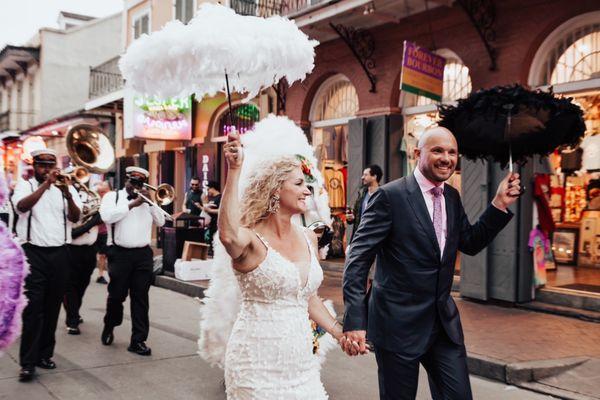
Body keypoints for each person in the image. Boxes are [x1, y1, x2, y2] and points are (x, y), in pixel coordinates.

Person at [342, 127, 521, 400]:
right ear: (417, 154)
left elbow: (470, 242)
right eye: (437, 150)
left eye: (452, 152)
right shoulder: (390, 196)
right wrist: (354, 319)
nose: (446, 158)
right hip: (397, 325)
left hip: (442, 326)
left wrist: (498, 204)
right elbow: (358, 258)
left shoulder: (452, 196)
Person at [219, 131, 343, 399]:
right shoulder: (250, 239)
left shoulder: (309, 236)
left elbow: (306, 297)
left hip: (302, 367)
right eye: (298, 183)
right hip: (255, 366)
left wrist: (339, 332)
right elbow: (228, 236)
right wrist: (234, 170)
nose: (307, 190)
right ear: (275, 189)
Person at [11, 149, 82, 382]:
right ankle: (27, 363)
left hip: (60, 253)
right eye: (42, 165)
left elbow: (75, 217)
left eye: (50, 165)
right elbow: (21, 207)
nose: (47, 169)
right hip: (33, 253)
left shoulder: (66, 187)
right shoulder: (26, 185)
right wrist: (46, 186)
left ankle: (44, 355)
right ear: (35, 166)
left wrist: (67, 194)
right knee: (33, 310)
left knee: (52, 308)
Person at [99, 167, 166, 356]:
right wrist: (132, 204)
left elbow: (161, 222)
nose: (135, 187)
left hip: (143, 255)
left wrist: (151, 203)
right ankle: (110, 325)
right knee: (116, 296)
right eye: (132, 182)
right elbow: (107, 217)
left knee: (140, 298)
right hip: (119, 254)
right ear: (125, 180)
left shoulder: (147, 201)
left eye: (139, 184)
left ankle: (138, 340)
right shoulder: (113, 197)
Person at [62, 177, 104, 335]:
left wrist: (98, 217)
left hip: (89, 249)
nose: (78, 182)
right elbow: (70, 233)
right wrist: (92, 221)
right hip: (71, 250)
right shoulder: (66, 201)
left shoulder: (91, 196)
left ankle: (74, 311)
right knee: (70, 287)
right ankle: (72, 320)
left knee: (83, 284)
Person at [346, 164, 383, 241]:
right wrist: (351, 218)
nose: (362, 177)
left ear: (374, 177)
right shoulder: (362, 194)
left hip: (375, 239)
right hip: (360, 237)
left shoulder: (382, 195)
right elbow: (356, 216)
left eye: (366, 175)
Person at [94, 181, 111, 284]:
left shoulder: (111, 200)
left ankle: (100, 274)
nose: (101, 194)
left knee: (103, 255)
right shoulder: (95, 199)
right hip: (93, 232)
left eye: (103, 192)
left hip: (104, 232)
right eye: (100, 192)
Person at [203, 180, 221, 247]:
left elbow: (221, 211)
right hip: (212, 225)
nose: (208, 192)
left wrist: (209, 210)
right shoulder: (212, 199)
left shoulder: (220, 197)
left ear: (212, 188)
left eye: (208, 189)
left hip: (217, 226)